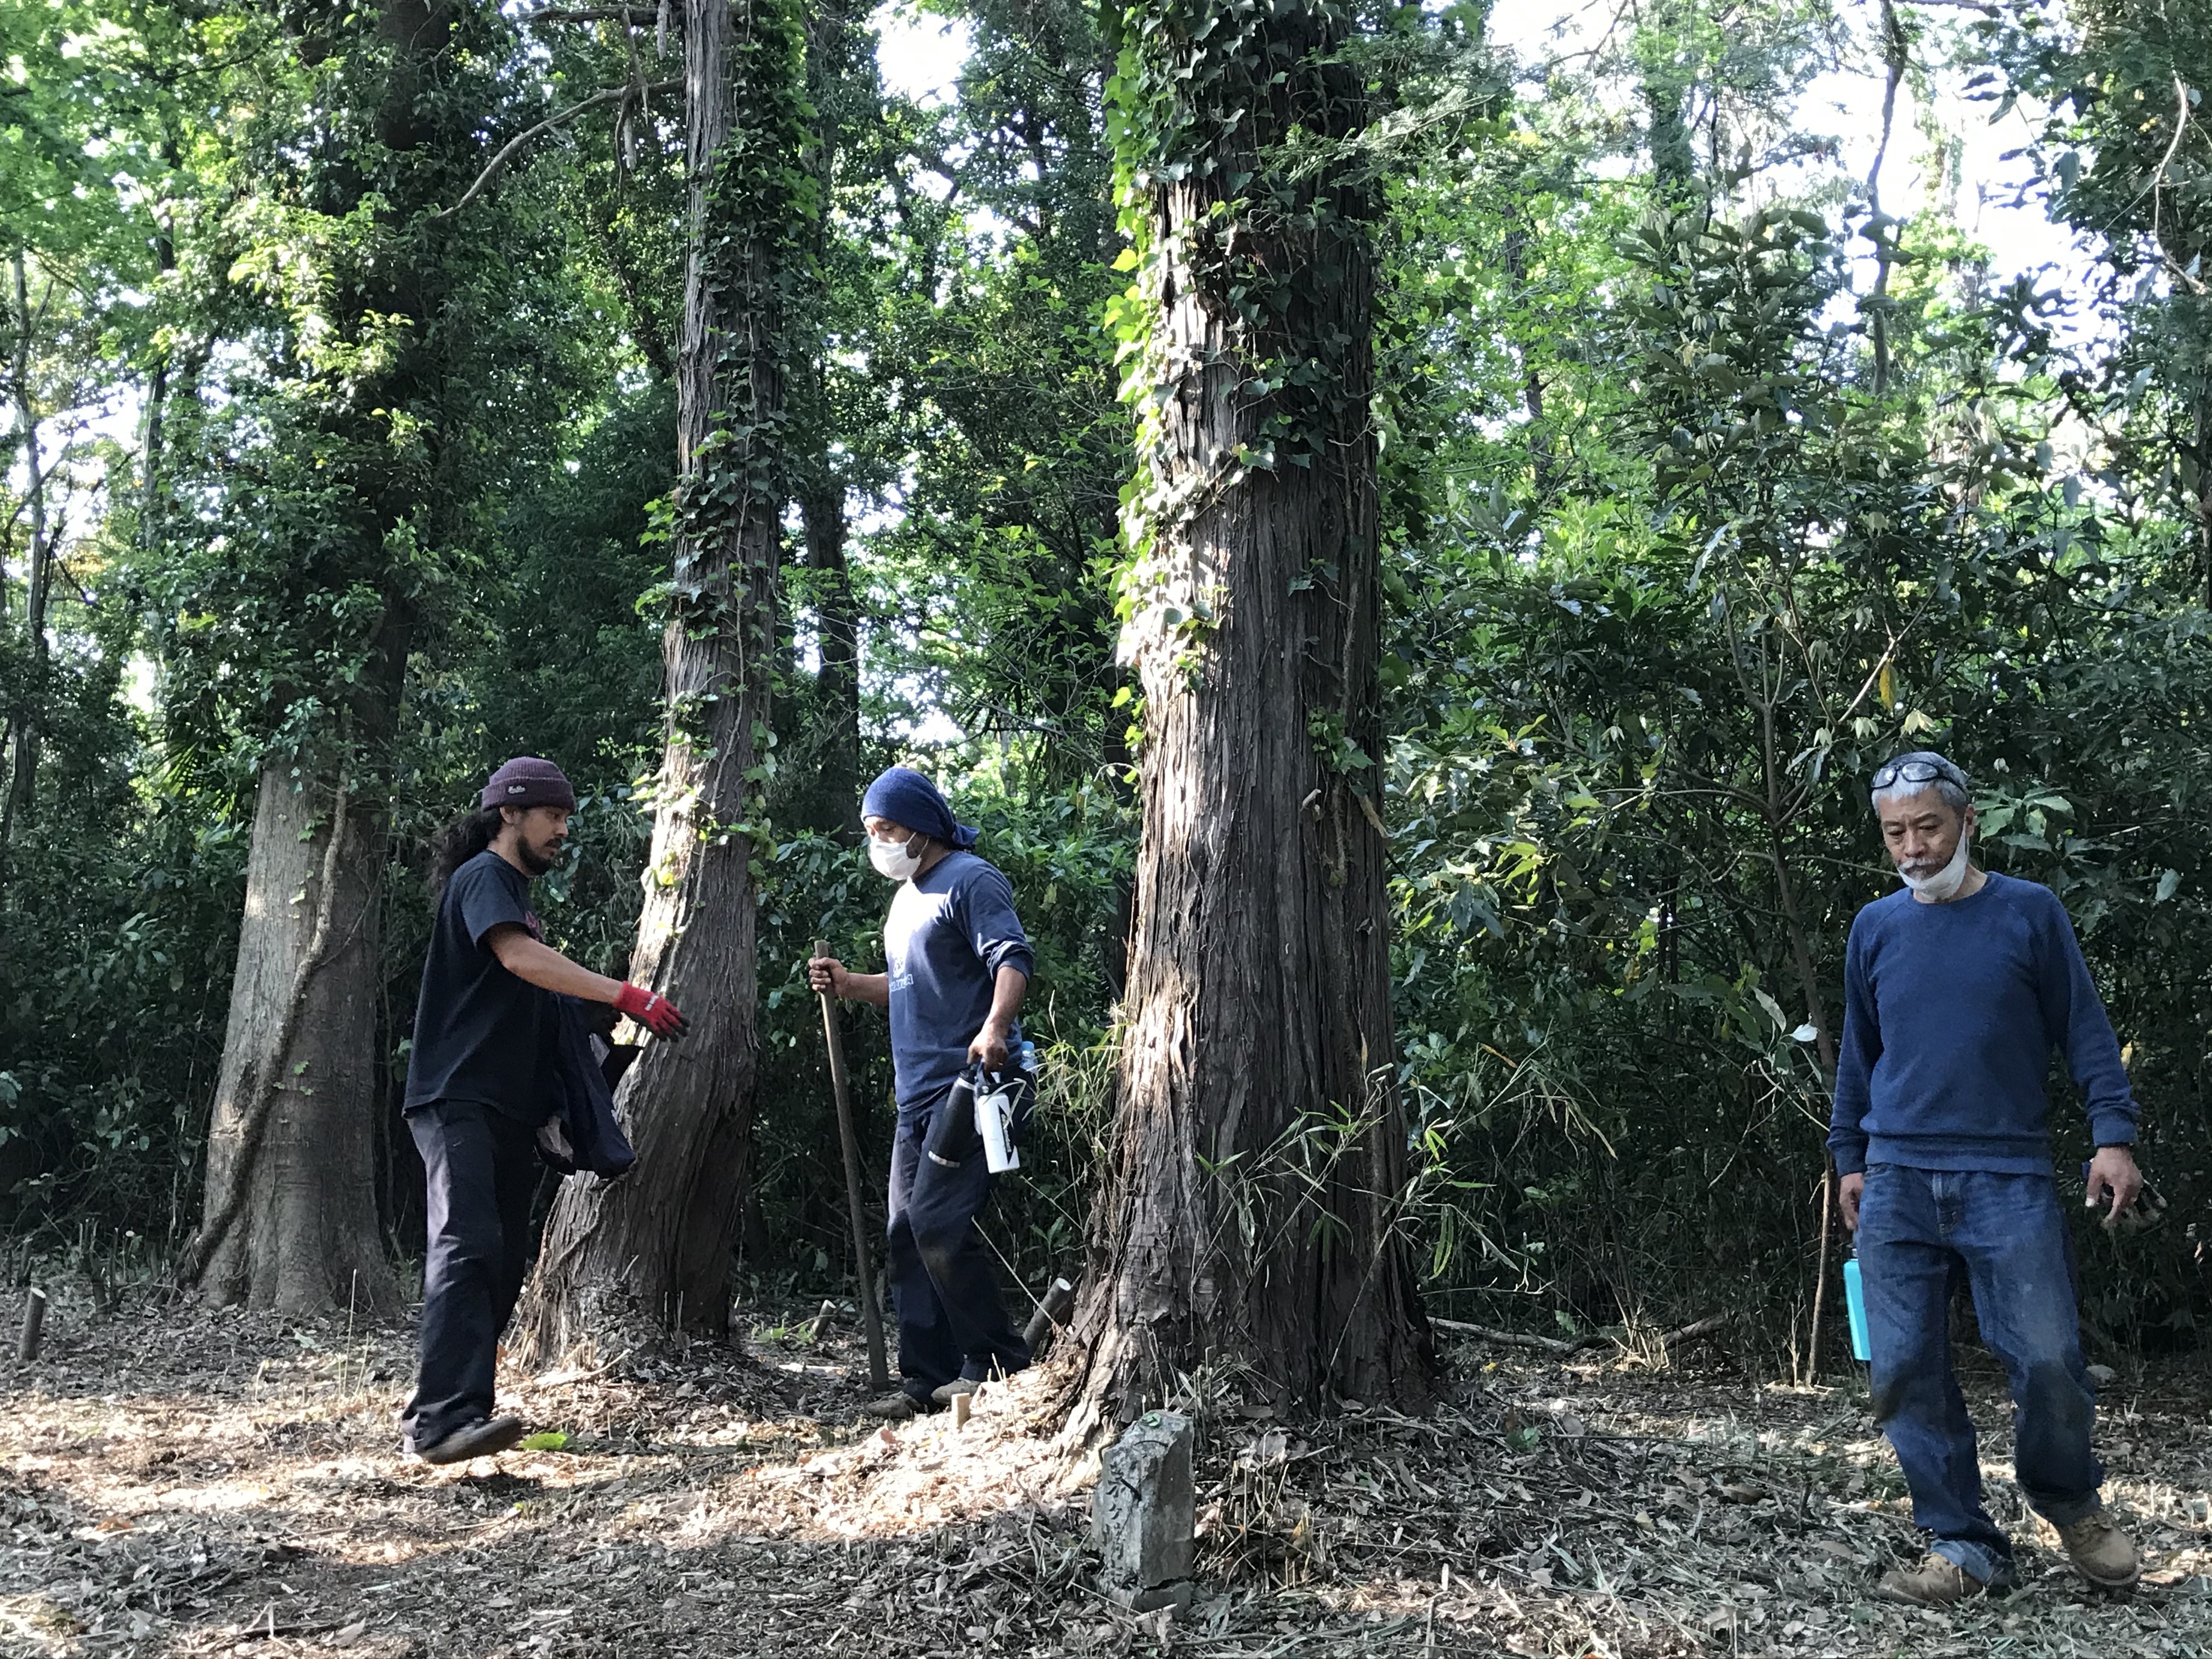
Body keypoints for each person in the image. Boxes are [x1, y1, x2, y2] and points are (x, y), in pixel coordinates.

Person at [1830, 749, 2143, 1605]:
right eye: (1896, 833)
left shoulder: (2029, 915)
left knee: (2047, 1359)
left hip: (2007, 1175)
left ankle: (2069, 1499)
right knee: (1901, 1370)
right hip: (1895, 1174)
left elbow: (2084, 1029)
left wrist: (2112, 1136)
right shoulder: (1876, 927)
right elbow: (1860, 1055)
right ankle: (1963, 1544)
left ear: (1969, 822)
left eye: (1928, 827)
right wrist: (1847, 1160)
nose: (1914, 848)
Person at [400, 756, 687, 1465]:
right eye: (552, 816)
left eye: (565, 817)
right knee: (465, 1246)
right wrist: (626, 995)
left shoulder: (516, 895)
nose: (563, 830)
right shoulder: (485, 880)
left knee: (498, 1264)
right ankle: (438, 1424)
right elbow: (520, 959)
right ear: (509, 814)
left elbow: (537, 996)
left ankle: (461, 1414)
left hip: (505, 1110)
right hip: (456, 1098)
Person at [808, 766, 1035, 1419]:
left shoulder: (971, 879)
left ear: (922, 827)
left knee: (938, 1223)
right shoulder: (908, 895)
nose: (878, 841)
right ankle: (924, 1381)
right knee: (906, 1232)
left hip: (976, 1082)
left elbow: (1012, 959)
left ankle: (997, 1361)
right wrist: (852, 984)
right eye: (871, 831)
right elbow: (912, 982)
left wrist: (995, 1028)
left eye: (887, 829)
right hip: (918, 1093)